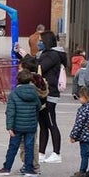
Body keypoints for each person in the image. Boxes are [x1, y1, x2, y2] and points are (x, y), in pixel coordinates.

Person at [0, 69, 42, 176]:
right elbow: (38, 106)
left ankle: (7, 167)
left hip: (17, 126)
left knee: (13, 147)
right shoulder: (34, 93)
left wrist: (9, 127)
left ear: (18, 80)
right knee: (29, 147)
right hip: (31, 125)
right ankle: (29, 169)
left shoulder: (14, 94)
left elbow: (10, 111)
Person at [33, 30, 67, 162]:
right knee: (43, 124)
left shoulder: (53, 55)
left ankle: (56, 153)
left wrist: (27, 59)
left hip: (50, 93)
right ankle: (41, 152)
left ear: (46, 41)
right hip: (42, 93)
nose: (39, 42)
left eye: (41, 41)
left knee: (51, 122)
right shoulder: (43, 54)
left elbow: (40, 67)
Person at [68, 85, 89, 177]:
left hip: (85, 137)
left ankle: (82, 171)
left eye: (80, 97)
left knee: (84, 155)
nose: (79, 99)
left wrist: (73, 135)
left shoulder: (83, 109)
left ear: (85, 97)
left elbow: (79, 124)